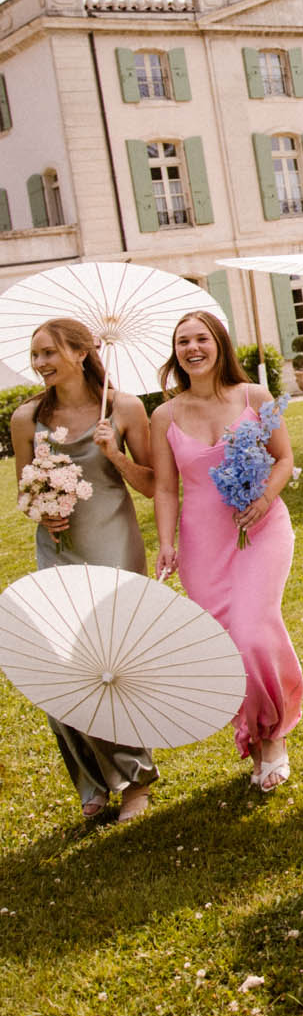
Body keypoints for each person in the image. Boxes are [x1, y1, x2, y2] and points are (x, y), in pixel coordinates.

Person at [10, 319, 159, 822]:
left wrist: (113, 452)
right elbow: (23, 494)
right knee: (53, 663)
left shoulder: (124, 408)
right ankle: (91, 779)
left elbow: (153, 483)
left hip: (112, 546)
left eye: (49, 352)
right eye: (35, 355)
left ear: (80, 352)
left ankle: (135, 781)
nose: (41, 363)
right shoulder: (27, 417)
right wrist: (41, 509)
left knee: (108, 665)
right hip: (57, 549)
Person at [151, 310, 303, 791]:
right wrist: (167, 543)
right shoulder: (164, 415)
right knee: (226, 643)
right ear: (175, 353)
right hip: (202, 545)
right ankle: (253, 739)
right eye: (182, 342)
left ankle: (274, 734)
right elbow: (165, 489)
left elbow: (284, 458)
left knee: (253, 630)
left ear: (219, 343)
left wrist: (262, 500)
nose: (192, 348)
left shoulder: (254, 398)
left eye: (201, 339)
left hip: (261, 530)